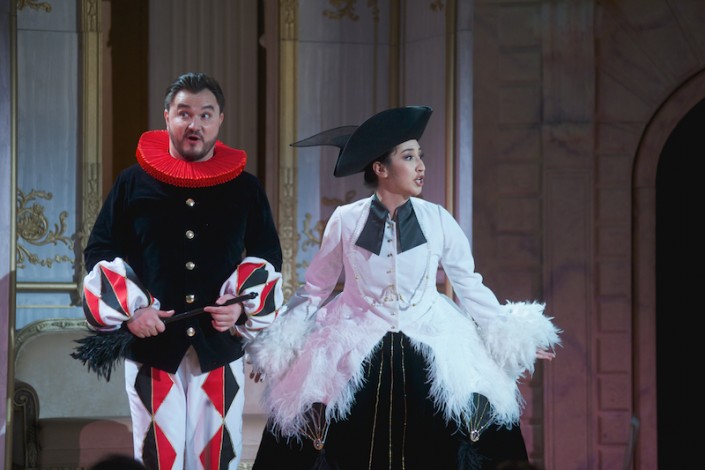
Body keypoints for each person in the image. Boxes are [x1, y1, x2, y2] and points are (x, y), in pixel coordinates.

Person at [245, 106, 561, 470]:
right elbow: (315, 288)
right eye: (409, 157)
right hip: (353, 337)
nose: (421, 166)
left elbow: (470, 285)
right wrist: (278, 345)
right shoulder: (346, 220)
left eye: (420, 156)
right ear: (380, 168)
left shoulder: (437, 218)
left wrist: (514, 334)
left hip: (430, 335)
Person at [81, 72, 283, 470]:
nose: (195, 124)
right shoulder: (132, 183)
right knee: (157, 459)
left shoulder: (245, 188)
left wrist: (240, 308)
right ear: (167, 117)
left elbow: (268, 254)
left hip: (219, 349)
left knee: (217, 460)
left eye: (205, 114)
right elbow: (99, 249)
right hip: (153, 350)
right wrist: (133, 312)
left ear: (220, 120)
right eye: (184, 113)